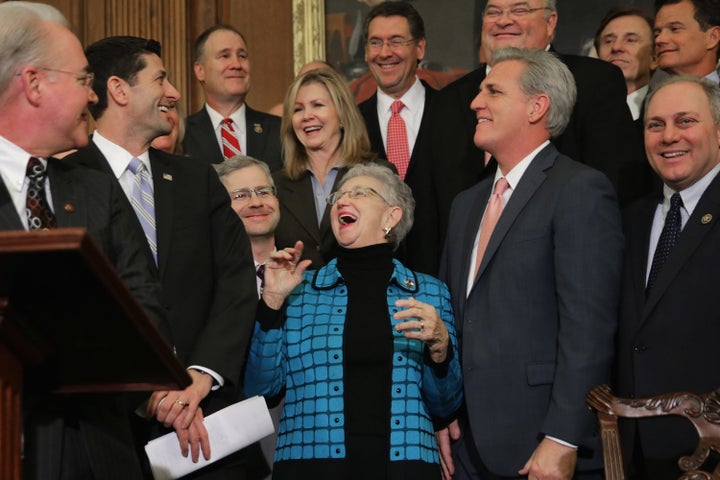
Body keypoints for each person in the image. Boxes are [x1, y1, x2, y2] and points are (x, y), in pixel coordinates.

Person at [64, 36, 257, 478]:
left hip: (210, 424)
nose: (174, 93)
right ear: (119, 90)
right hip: (108, 429)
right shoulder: (67, 182)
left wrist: (200, 376)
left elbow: (236, 281)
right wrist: (144, 393)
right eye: (161, 78)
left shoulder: (197, 180)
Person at [0, 4, 170, 479]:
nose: (94, 94)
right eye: (82, 79)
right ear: (33, 84)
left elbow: (146, 309)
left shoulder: (96, 189)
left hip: (102, 447)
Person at [438, 48, 623, 480]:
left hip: (539, 442)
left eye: (493, 91)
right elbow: (453, 319)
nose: (474, 102)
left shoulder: (579, 189)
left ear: (537, 106)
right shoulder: (466, 204)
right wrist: (444, 409)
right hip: (466, 444)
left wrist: (562, 437)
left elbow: (589, 329)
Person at [244, 162, 463, 479]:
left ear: (391, 216)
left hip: (405, 469)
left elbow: (445, 406)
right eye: (338, 196)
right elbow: (261, 390)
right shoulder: (299, 291)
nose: (343, 201)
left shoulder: (429, 293)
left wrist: (441, 346)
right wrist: (272, 301)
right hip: (312, 469)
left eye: (360, 192)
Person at [430, 0, 640, 251]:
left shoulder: (594, 81)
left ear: (551, 22)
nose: (504, 20)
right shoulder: (447, 99)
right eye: (494, 12)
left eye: (520, 10)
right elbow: (430, 209)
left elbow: (619, 187)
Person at [615, 75, 720, 479]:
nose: (668, 136)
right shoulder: (630, 220)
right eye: (655, 125)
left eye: (685, 121)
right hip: (632, 451)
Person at [272, 67, 386, 268]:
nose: (307, 115)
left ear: (342, 115)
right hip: (299, 297)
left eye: (317, 105)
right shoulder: (276, 185)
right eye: (298, 109)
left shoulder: (378, 176)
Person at [358, 1, 439, 275]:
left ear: (420, 48)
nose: (384, 53)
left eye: (395, 41)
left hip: (444, 279)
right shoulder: (350, 125)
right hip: (373, 281)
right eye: (375, 43)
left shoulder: (456, 114)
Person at [215, 155, 282, 480]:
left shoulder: (314, 278)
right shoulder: (204, 286)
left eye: (264, 191)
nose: (256, 202)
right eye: (240, 195)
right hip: (226, 448)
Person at [183, 25, 282, 171]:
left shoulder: (279, 130)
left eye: (242, 56)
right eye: (225, 56)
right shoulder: (182, 134)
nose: (237, 64)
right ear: (200, 71)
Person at [594, 7, 656, 122]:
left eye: (631, 40)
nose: (616, 47)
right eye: (608, 41)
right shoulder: (574, 116)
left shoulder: (665, 111)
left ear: (654, 58)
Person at [653, 0, 720, 81]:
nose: (659, 40)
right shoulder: (655, 93)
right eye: (657, 34)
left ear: (713, 37)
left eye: (675, 29)